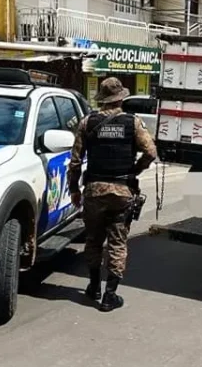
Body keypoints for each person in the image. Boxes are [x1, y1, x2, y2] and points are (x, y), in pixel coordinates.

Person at [67, 77, 157, 312]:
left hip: (94, 191)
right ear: (121, 98)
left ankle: (94, 286)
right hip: (122, 191)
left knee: (93, 239)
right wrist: (134, 170)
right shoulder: (133, 123)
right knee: (117, 242)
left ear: (102, 100)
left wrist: (74, 189)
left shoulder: (87, 123)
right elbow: (150, 152)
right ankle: (110, 295)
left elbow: (75, 162)